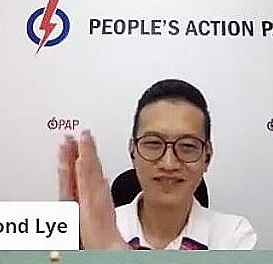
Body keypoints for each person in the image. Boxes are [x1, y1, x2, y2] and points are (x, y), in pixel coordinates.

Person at [56, 79, 256, 250]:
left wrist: (112, 258)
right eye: (153, 143)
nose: (169, 164)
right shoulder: (93, 228)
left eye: (187, 146)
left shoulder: (233, 236)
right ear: (132, 150)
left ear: (208, 157)